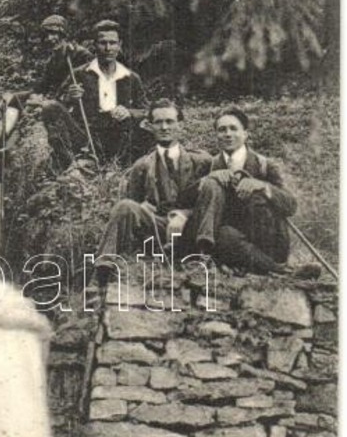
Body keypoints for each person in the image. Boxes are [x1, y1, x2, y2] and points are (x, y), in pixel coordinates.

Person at [183, 107, 319, 278]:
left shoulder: (264, 165)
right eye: (222, 130)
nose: (227, 134)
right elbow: (183, 200)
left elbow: (291, 205)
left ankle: (273, 267)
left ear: (245, 134)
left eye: (233, 128)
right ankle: (279, 270)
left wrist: (262, 186)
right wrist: (209, 179)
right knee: (224, 234)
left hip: (266, 240)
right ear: (216, 135)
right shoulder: (209, 165)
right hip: (230, 242)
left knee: (256, 199)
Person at [96, 99, 211, 273]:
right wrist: (142, 207)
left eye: (170, 121)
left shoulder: (201, 161)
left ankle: (201, 259)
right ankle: (103, 267)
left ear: (180, 125)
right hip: (158, 229)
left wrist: (184, 215)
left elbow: (212, 202)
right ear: (150, 126)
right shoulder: (142, 166)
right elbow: (132, 205)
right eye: (158, 122)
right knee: (124, 206)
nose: (164, 127)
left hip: (191, 228)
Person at [0, 15, 90, 162]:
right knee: (15, 99)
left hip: (73, 105)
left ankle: (11, 150)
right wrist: (25, 96)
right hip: (56, 98)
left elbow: (89, 87)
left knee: (37, 109)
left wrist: (48, 99)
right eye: (47, 35)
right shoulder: (53, 60)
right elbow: (42, 86)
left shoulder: (80, 55)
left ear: (64, 34)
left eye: (54, 34)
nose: (50, 39)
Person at [62, 19, 148, 167]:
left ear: (120, 45)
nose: (108, 48)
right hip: (88, 139)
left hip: (120, 139)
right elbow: (59, 105)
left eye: (113, 43)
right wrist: (69, 97)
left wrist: (129, 112)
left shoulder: (131, 77)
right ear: (94, 45)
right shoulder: (79, 74)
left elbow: (145, 110)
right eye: (103, 43)